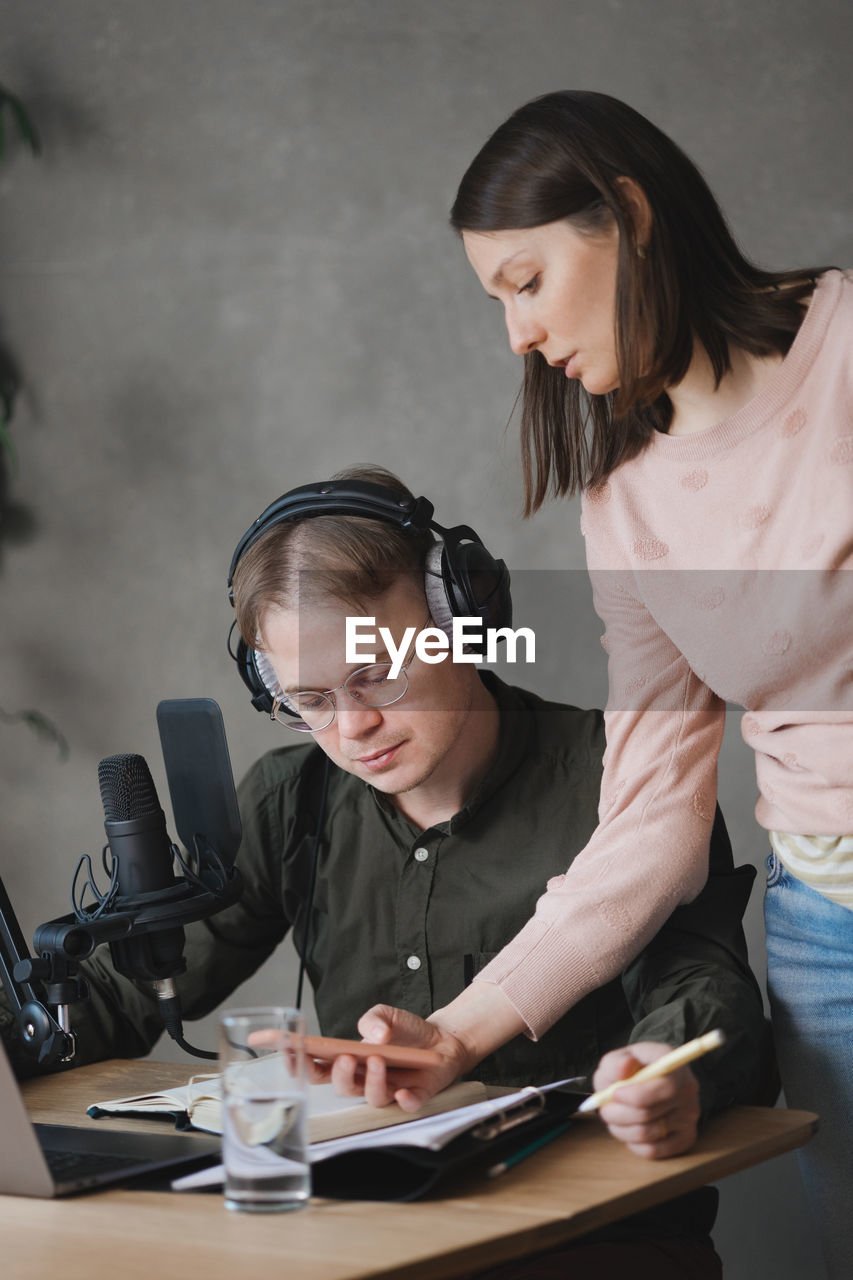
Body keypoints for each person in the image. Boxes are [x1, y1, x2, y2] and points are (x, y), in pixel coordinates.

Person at [0, 465, 770, 1277]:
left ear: (461, 619)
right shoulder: (290, 798)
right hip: (362, 1243)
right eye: (311, 700)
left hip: (587, 1241)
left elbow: (704, 990)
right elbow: (130, 992)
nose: (353, 725)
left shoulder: (624, 778)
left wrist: (661, 1071)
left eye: (375, 674)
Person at [333, 92, 851, 1277]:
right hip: (833, 935)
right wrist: (456, 1035)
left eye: (526, 282)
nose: (516, 335)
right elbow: (652, 821)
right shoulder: (625, 504)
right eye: (495, 302)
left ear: (625, 213)